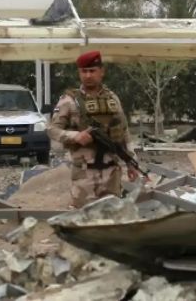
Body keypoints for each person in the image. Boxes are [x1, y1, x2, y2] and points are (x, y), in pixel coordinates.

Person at [47, 51, 138, 208]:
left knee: (111, 217)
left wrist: (131, 162)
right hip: (84, 174)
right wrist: (75, 136)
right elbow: (52, 129)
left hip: (111, 173)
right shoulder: (69, 100)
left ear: (101, 72)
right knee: (80, 217)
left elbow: (124, 132)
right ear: (79, 72)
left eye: (92, 71)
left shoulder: (113, 99)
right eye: (84, 71)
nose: (88, 75)